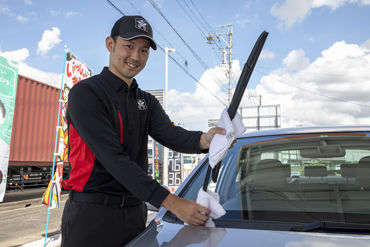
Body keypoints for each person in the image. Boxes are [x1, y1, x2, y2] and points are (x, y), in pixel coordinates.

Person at [61, 15, 225, 247]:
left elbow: (171, 134)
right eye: (129, 46)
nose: (136, 57)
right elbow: (114, 159)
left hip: (134, 214)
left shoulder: (145, 101)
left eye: (144, 50)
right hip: (92, 215)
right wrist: (173, 203)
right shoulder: (86, 93)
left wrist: (205, 139)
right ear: (110, 44)